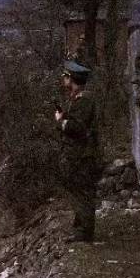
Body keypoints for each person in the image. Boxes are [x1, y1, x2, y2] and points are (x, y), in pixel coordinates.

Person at [54, 59, 100, 242]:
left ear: (72, 78)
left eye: (65, 76)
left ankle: (84, 232)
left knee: (82, 193)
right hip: (78, 154)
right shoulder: (79, 99)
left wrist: (60, 120)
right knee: (79, 191)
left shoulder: (84, 100)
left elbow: (77, 129)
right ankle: (81, 226)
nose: (63, 79)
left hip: (82, 155)